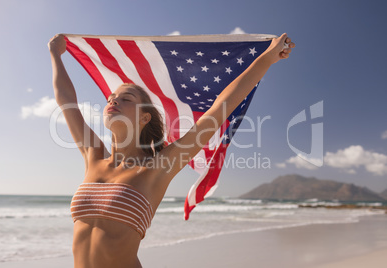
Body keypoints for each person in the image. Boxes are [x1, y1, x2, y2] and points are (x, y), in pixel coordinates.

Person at [48, 33, 295, 268]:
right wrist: (56, 55)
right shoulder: (95, 157)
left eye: (126, 99)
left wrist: (267, 58)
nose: (113, 101)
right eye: (112, 97)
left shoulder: (158, 167)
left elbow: (220, 108)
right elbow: (66, 101)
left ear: (144, 118)